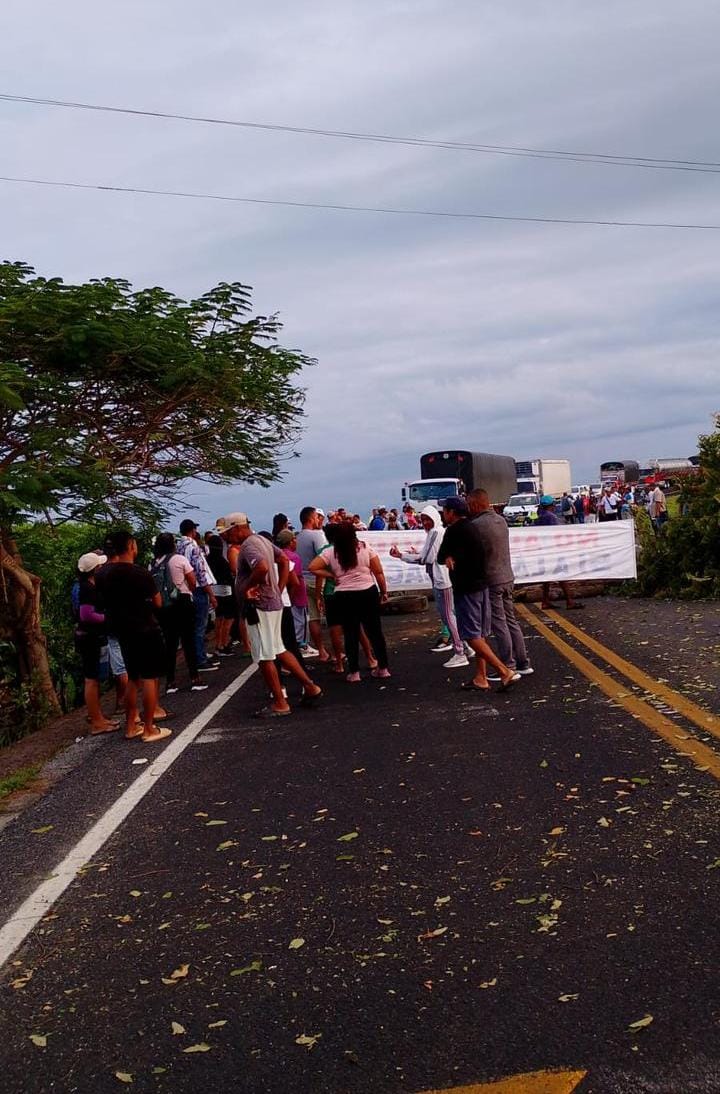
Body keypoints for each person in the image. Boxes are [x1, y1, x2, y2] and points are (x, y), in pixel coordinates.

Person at [229, 512, 322, 716]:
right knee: (278, 648)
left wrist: (248, 586)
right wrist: (278, 588)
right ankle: (310, 686)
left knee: (265, 655)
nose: (226, 538)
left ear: (236, 528)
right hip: (271, 602)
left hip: (260, 605)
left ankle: (280, 702)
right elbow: (281, 559)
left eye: (227, 533)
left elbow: (262, 567)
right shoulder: (261, 539)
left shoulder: (249, 545)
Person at [95, 530, 171, 743]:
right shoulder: (138, 573)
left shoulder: (102, 574)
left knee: (133, 677)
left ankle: (131, 725)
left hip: (121, 630)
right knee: (150, 677)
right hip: (145, 628)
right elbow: (158, 602)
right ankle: (149, 728)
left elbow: (100, 603)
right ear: (130, 546)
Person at [437, 497, 520, 692]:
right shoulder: (472, 527)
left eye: (445, 510)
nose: (443, 514)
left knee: (471, 635)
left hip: (466, 588)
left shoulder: (453, 530)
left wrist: (448, 556)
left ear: (451, 512)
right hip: (482, 585)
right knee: (481, 633)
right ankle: (480, 677)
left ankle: (504, 671)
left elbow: (440, 556)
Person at [310, 522, 390, 682]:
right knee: (374, 632)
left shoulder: (332, 552)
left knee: (351, 633)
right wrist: (383, 591)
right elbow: (378, 571)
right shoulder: (365, 548)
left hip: (344, 595)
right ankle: (383, 668)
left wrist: (331, 575)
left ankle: (354, 672)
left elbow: (313, 567)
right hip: (367, 592)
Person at [390, 506, 468, 669]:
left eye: (427, 519)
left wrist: (402, 556)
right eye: (423, 520)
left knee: (448, 617)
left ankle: (460, 652)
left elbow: (425, 558)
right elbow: (427, 555)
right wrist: (413, 554)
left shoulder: (435, 533)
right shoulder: (439, 531)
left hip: (442, 581)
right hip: (445, 579)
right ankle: (466, 647)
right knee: (452, 615)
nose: (425, 523)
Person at [466, 489, 533, 678]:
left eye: (470, 504)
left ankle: (507, 664)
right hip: (507, 576)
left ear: (476, 504)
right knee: (511, 620)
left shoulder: (476, 525)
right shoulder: (501, 520)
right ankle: (522, 661)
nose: (468, 508)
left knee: (499, 623)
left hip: (492, 579)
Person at [150, 533, 209, 694]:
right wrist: (188, 591)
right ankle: (195, 678)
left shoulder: (154, 563)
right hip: (182, 602)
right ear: (173, 545)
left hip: (164, 607)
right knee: (188, 640)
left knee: (170, 643)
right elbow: (192, 580)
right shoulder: (179, 559)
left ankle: (170, 682)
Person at [74, 551, 119, 734]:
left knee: (94, 679)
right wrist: (107, 617)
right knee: (91, 680)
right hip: (89, 638)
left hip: (92, 637)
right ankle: (96, 721)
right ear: (95, 569)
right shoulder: (86, 588)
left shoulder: (91, 586)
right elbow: (86, 614)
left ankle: (98, 717)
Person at [178, 518, 218, 672]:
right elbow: (200, 573)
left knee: (193, 626)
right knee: (200, 626)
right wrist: (211, 594)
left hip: (186, 589)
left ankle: (197, 656)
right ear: (192, 530)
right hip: (199, 588)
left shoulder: (179, 547)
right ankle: (200, 660)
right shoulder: (193, 547)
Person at [295, 506, 330, 661]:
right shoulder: (317, 536)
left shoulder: (297, 537)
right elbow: (325, 558)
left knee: (313, 618)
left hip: (303, 580)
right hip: (318, 580)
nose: (319, 520)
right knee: (334, 618)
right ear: (311, 519)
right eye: (317, 517)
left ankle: (321, 651)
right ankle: (338, 652)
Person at [536, 496, 583, 610]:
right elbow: (556, 532)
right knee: (561, 575)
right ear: (551, 505)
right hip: (553, 550)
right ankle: (569, 601)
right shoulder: (551, 517)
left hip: (544, 550)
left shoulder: (540, 516)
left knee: (547, 577)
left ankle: (545, 601)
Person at [276, 529, 310, 652]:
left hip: (287, 593)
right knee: (301, 621)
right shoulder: (293, 557)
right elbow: (295, 580)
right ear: (290, 542)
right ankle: (301, 646)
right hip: (296, 594)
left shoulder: (278, 555)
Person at [206, 534, 236, 656]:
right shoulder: (222, 560)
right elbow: (229, 577)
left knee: (219, 618)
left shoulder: (208, 559)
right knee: (229, 618)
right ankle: (223, 643)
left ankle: (217, 645)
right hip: (226, 590)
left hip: (214, 590)